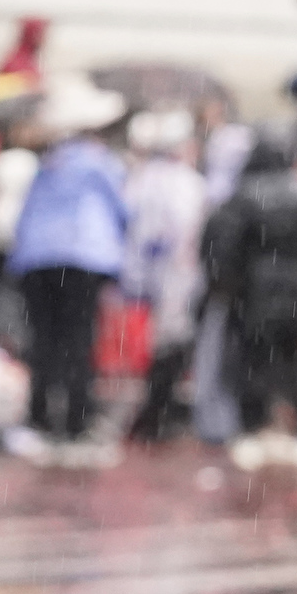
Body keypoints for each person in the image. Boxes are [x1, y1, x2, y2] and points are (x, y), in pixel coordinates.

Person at [3, 87, 131, 462]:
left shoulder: (49, 163)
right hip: (82, 260)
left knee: (43, 341)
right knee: (77, 341)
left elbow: (27, 215)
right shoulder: (99, 163)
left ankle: (40, 418)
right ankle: (76, 422)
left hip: (37, 261)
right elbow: (122, 210)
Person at [204, 133, 297, 471]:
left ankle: (254, 428)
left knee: (252, 361)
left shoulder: (244, 196)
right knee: (294, 362)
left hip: (256, 293)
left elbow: (221, 246)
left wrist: (224, 284)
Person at [121, 110, 209, 443]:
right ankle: (157, 410)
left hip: (149, 270)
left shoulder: (142, 178)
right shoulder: (186, 183)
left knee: (162, 341)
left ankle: (157, 408)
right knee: (170, 340)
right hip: (175, 271)